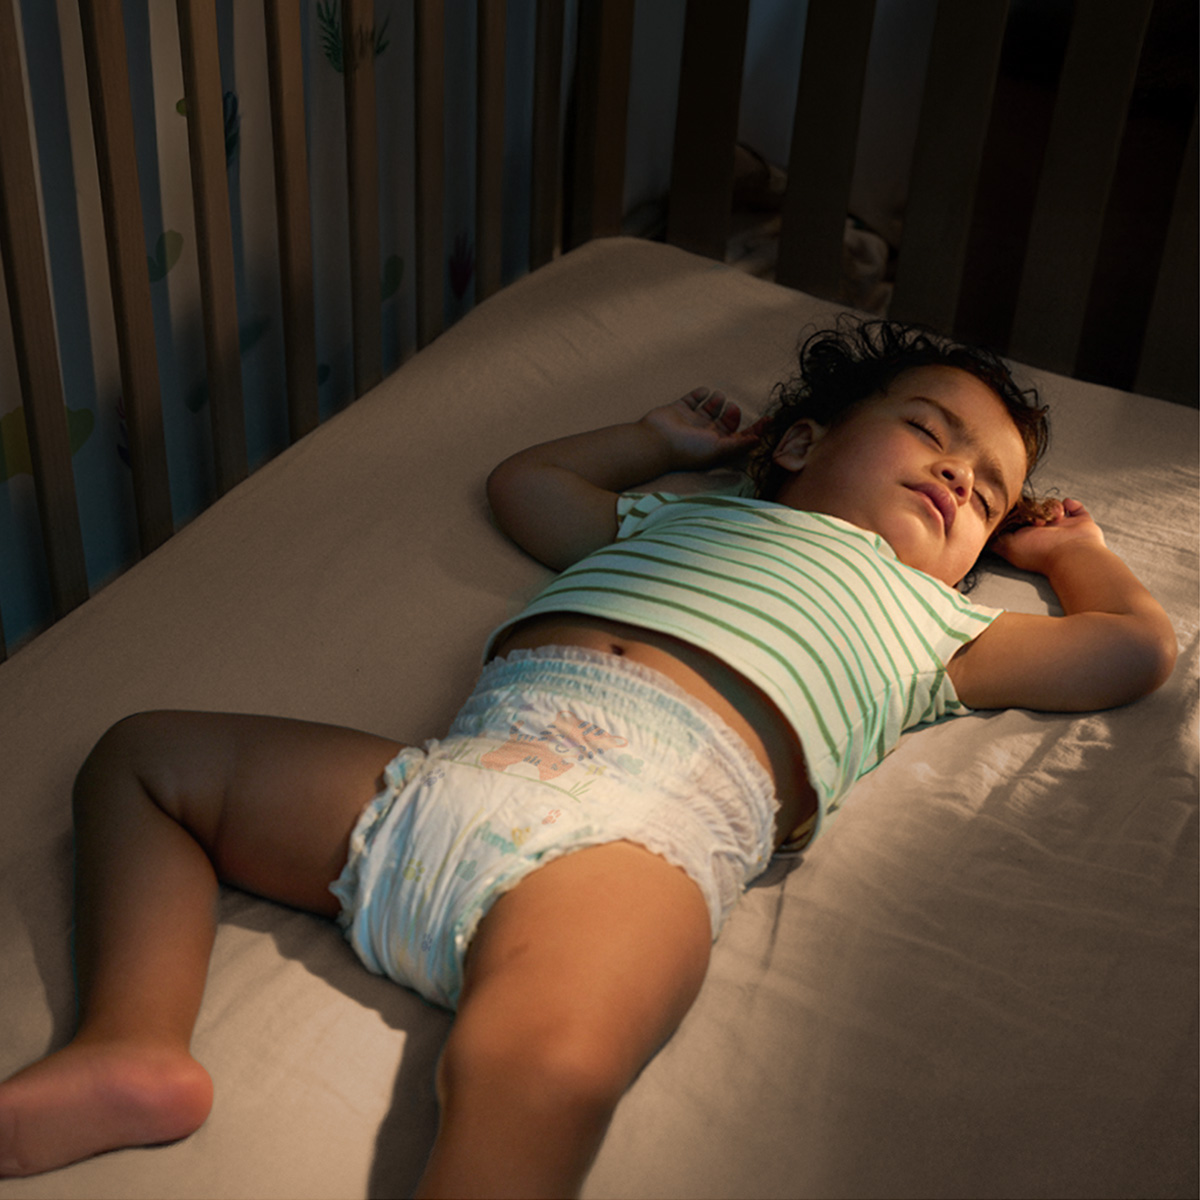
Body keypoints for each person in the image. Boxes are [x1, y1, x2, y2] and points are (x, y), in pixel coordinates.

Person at [0, 320, 1177, 1197]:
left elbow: (1130, 649)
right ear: (802, 439)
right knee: (147, 758)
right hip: (445, 779)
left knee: (541, 1066)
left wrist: (1076, 553)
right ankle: (130, 1045)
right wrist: (655, 442)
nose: (961, 476)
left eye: (989, 495)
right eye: (931, 429)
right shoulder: (676, 517)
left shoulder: (939, 626)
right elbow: (529, 488)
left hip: (639, 843)